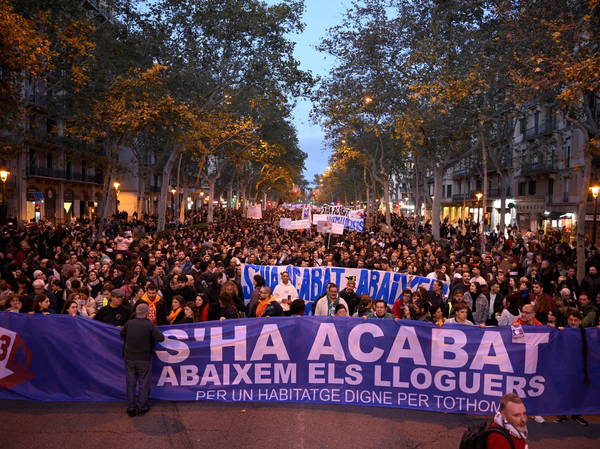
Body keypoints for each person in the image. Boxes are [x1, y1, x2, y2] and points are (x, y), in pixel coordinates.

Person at [120, 303, 165, 417]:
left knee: (130, 382)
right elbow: (161, 338)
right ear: (146, 313)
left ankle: (131, 407)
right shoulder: (149, 325)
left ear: (136, 311)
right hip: (144, 358)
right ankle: (142, 406)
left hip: (129, 357)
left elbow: (122, 333)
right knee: (143, 383)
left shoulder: (129, 323)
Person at [555, 310, 589, 426]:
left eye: (576, 320)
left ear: (580, 321)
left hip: (581, 367)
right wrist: (556, 331)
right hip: (565, 367)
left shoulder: (586, 333)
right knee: (564, 390)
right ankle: (562, 414)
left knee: (578, 391)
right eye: (571, 320)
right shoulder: (562, 331)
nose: (573, 322)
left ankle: (576, 415)